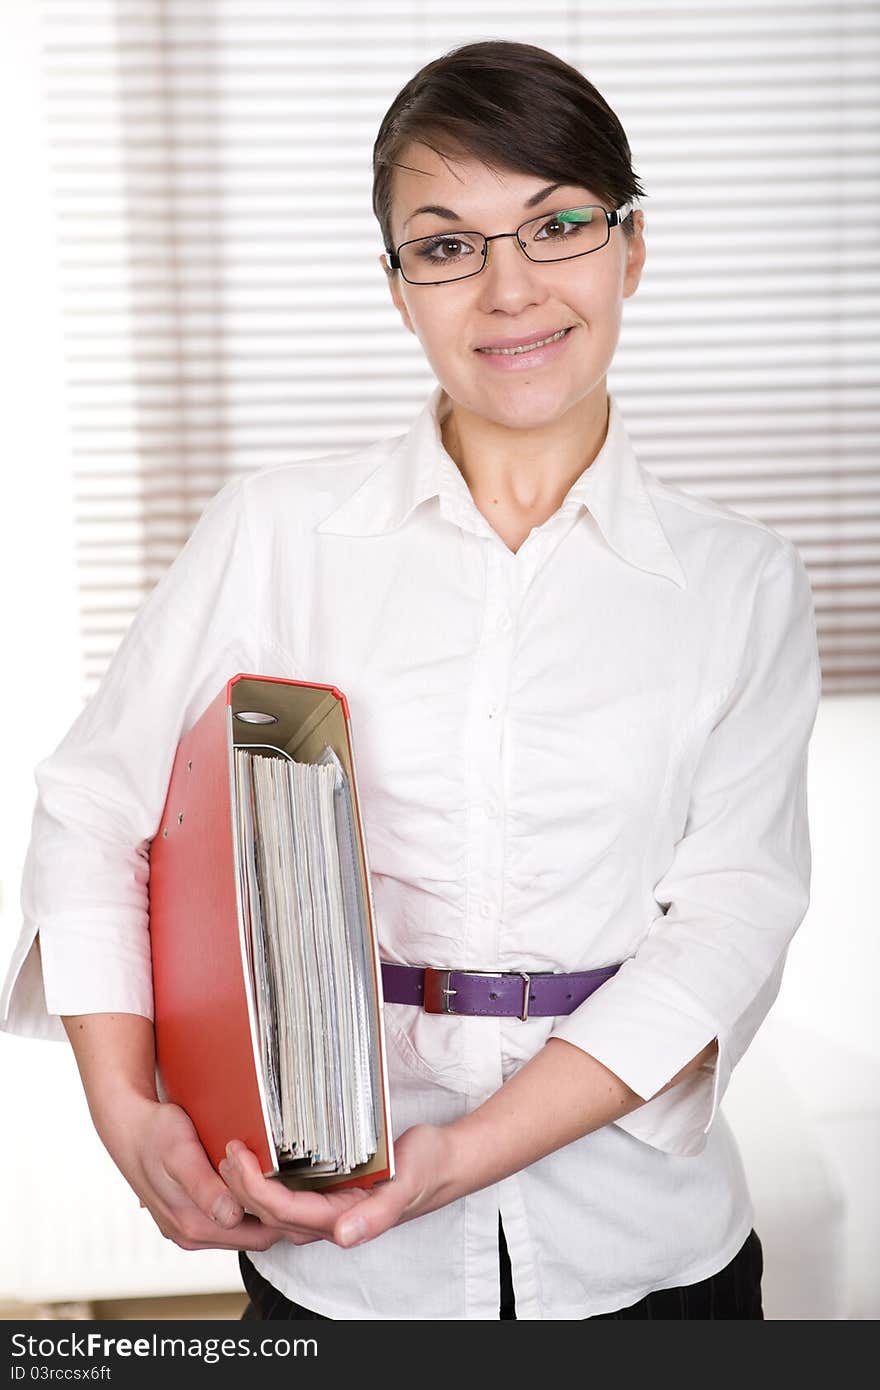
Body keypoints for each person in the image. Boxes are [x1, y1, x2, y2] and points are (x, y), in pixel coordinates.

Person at [0, 40, 820, 1320]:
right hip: (336, 1252)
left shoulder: (740, 582)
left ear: (630, 250)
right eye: (446, 245)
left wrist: (463, 1155)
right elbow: (94, 811)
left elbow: (728, 921)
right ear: (399, 288)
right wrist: (127, 1105)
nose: (509, 289)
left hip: (645, 1251)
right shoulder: (274, 533)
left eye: (555, 226)